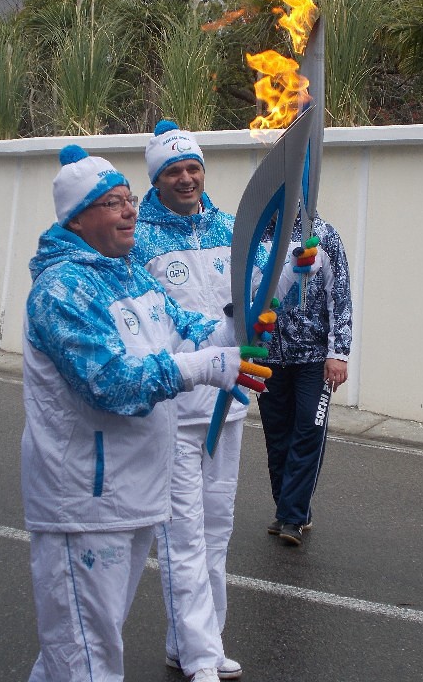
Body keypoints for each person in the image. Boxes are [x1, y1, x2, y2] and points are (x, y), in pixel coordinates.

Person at [21, 144, 269, 682]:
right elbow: (110, 383)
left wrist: (249, 321)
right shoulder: (62, 290)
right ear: (78, 219)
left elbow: (195, 328)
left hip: (133, 493)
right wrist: (206, 368)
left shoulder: (130, 274)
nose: (131, 209)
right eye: (113, 203)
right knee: (85, 655)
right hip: (83, 500)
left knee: (84, 642)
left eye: (128, 199)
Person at [133, 120, 319, 680]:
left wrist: (295, 268)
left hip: (230, 402)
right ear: (157, 178)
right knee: (183, 537)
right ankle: (199, 655)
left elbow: (260, 300)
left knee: (216, 532)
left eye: (193, 168)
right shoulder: (140, 240)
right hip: (176, 407)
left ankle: (197, 641)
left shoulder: (231, 228)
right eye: (173, 171)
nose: (186, 178)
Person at [258, 212, 352, 546]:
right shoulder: (257, 233)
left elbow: (339, 295)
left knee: (309, 429)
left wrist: (338, 353)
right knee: (277, 435)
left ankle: (292, 516)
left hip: (313, 357)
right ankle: (290, 509)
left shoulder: (324, 234)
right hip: (268, 356)